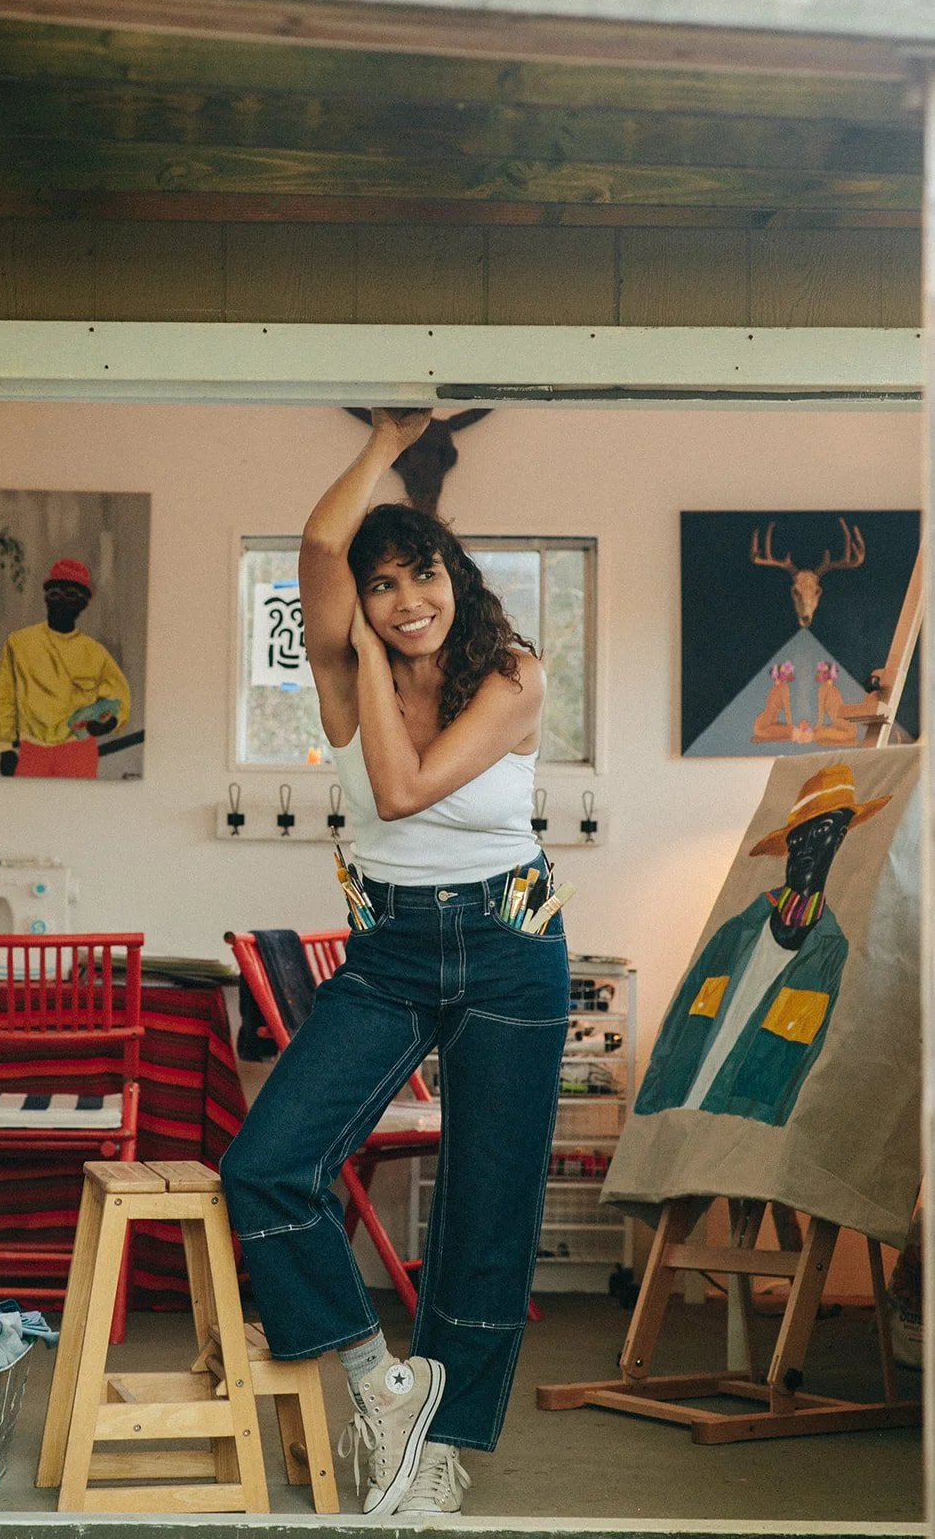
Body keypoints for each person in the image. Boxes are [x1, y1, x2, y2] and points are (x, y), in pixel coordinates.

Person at [221, 408, 570, 1516]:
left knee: (485, 1204)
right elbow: (317, 548)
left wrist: (367, 654)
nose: (403, 599)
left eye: (421, 574)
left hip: (514, 945)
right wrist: (381, 444)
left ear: (453, 578)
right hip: (389, 947)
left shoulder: (513, 675)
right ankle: (382, 1384)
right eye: (380, 588)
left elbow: (410, 783)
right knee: (266, 1162)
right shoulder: (341, 668)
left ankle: (439, 1454)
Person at [634, 762, 890, 1126]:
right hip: (676, 1128)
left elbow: (812, 1071)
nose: (806, 847)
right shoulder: (733, 933)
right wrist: (645, 1124)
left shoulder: (833, 956)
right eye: (797, 837)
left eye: (824, 831)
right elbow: (673, 1035)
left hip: (740, 1142)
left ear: (841, 838)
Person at [0, 558, 131, 778]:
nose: (61, 601)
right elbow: (5, 698)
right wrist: (5, 748)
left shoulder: (95, 653)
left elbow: (119, 700)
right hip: (32, 750)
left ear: (83, 603)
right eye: (55, 593)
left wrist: (108, 724)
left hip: (78, 751)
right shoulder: (18, 643)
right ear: (46, 598)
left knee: (79, 812)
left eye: (71, 595)